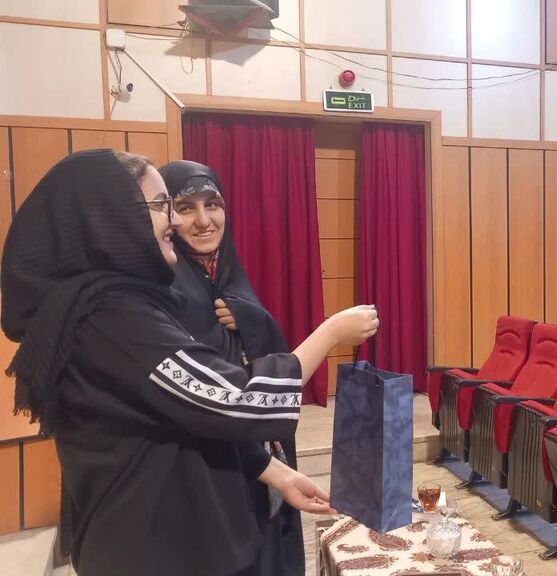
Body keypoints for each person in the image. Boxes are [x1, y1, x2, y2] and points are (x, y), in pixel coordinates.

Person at [1, 149, 378, 576]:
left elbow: (182, 416)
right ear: (110, 216)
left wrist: (274, 472)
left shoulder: (117, 305)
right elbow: (238, 399)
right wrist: (330, 332)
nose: (177, 222)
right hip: (152, 549)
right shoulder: (111, 319)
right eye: (162, 205)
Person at [158, 160, 303, 575]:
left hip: (261, 451)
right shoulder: (165, 286)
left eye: (213, 204)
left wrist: (254, 321)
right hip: (209, 461)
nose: (204, 221)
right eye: (186, 208)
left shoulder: (226, 272)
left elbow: (263, 348)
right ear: (168, 216)